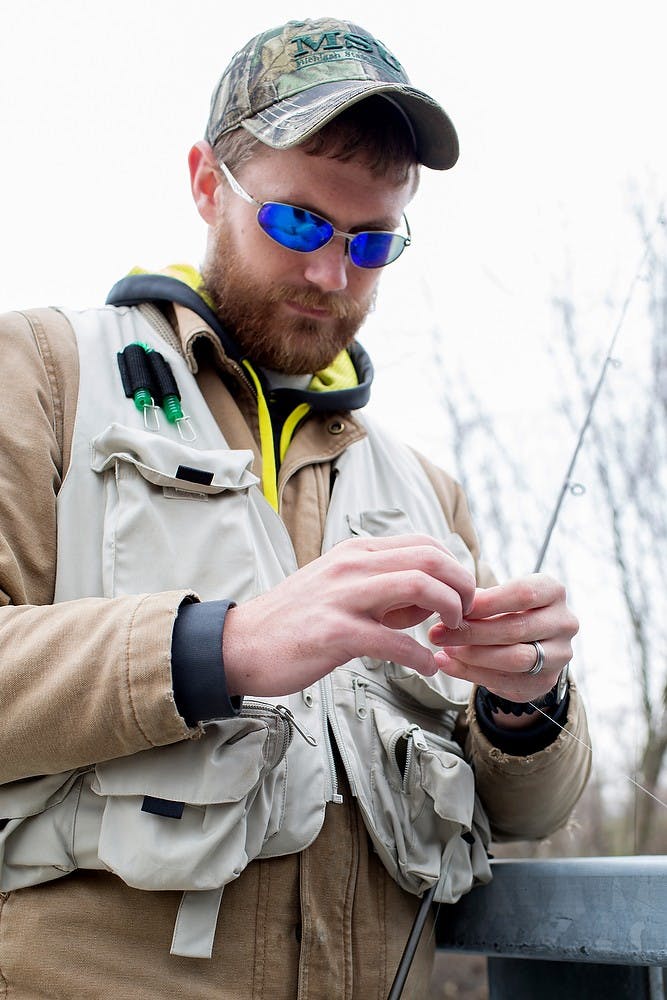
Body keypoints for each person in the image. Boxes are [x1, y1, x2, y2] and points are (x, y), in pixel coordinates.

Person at [0, 16, 591, 1000]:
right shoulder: (43, 376)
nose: (332, 274)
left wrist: (525, 705)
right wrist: (216, 647)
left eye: (370, 241)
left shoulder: (426, 491)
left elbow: (525, 808)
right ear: (204, 183)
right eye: (299, 223)